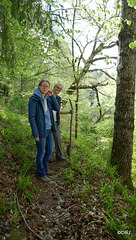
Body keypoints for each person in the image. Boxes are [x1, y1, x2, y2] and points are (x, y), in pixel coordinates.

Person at [28, 80, 60, 182]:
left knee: (49, 151)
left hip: (49, 129)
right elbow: (31, 117)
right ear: (39, 86)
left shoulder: (48, 98)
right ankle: (41, 173)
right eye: (43, 86)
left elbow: (57, 108)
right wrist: (35, 133)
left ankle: (44, 168)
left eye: (47, 86)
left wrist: (51, 96)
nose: (45, 88)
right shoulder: (34, 100)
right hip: (40, 131)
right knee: (41, 153)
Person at [49, 83, 74, 162]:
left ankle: (59, 155)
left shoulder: (59, 99)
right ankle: (49, 156)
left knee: (58, 139)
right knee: (49, 140)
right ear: (54, 87)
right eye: (57, 87)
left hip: (56, 122)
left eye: (60, 89)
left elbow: (58, 111)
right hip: (48, 121)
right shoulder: (48, 96)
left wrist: (69, 112)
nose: (58, 89)